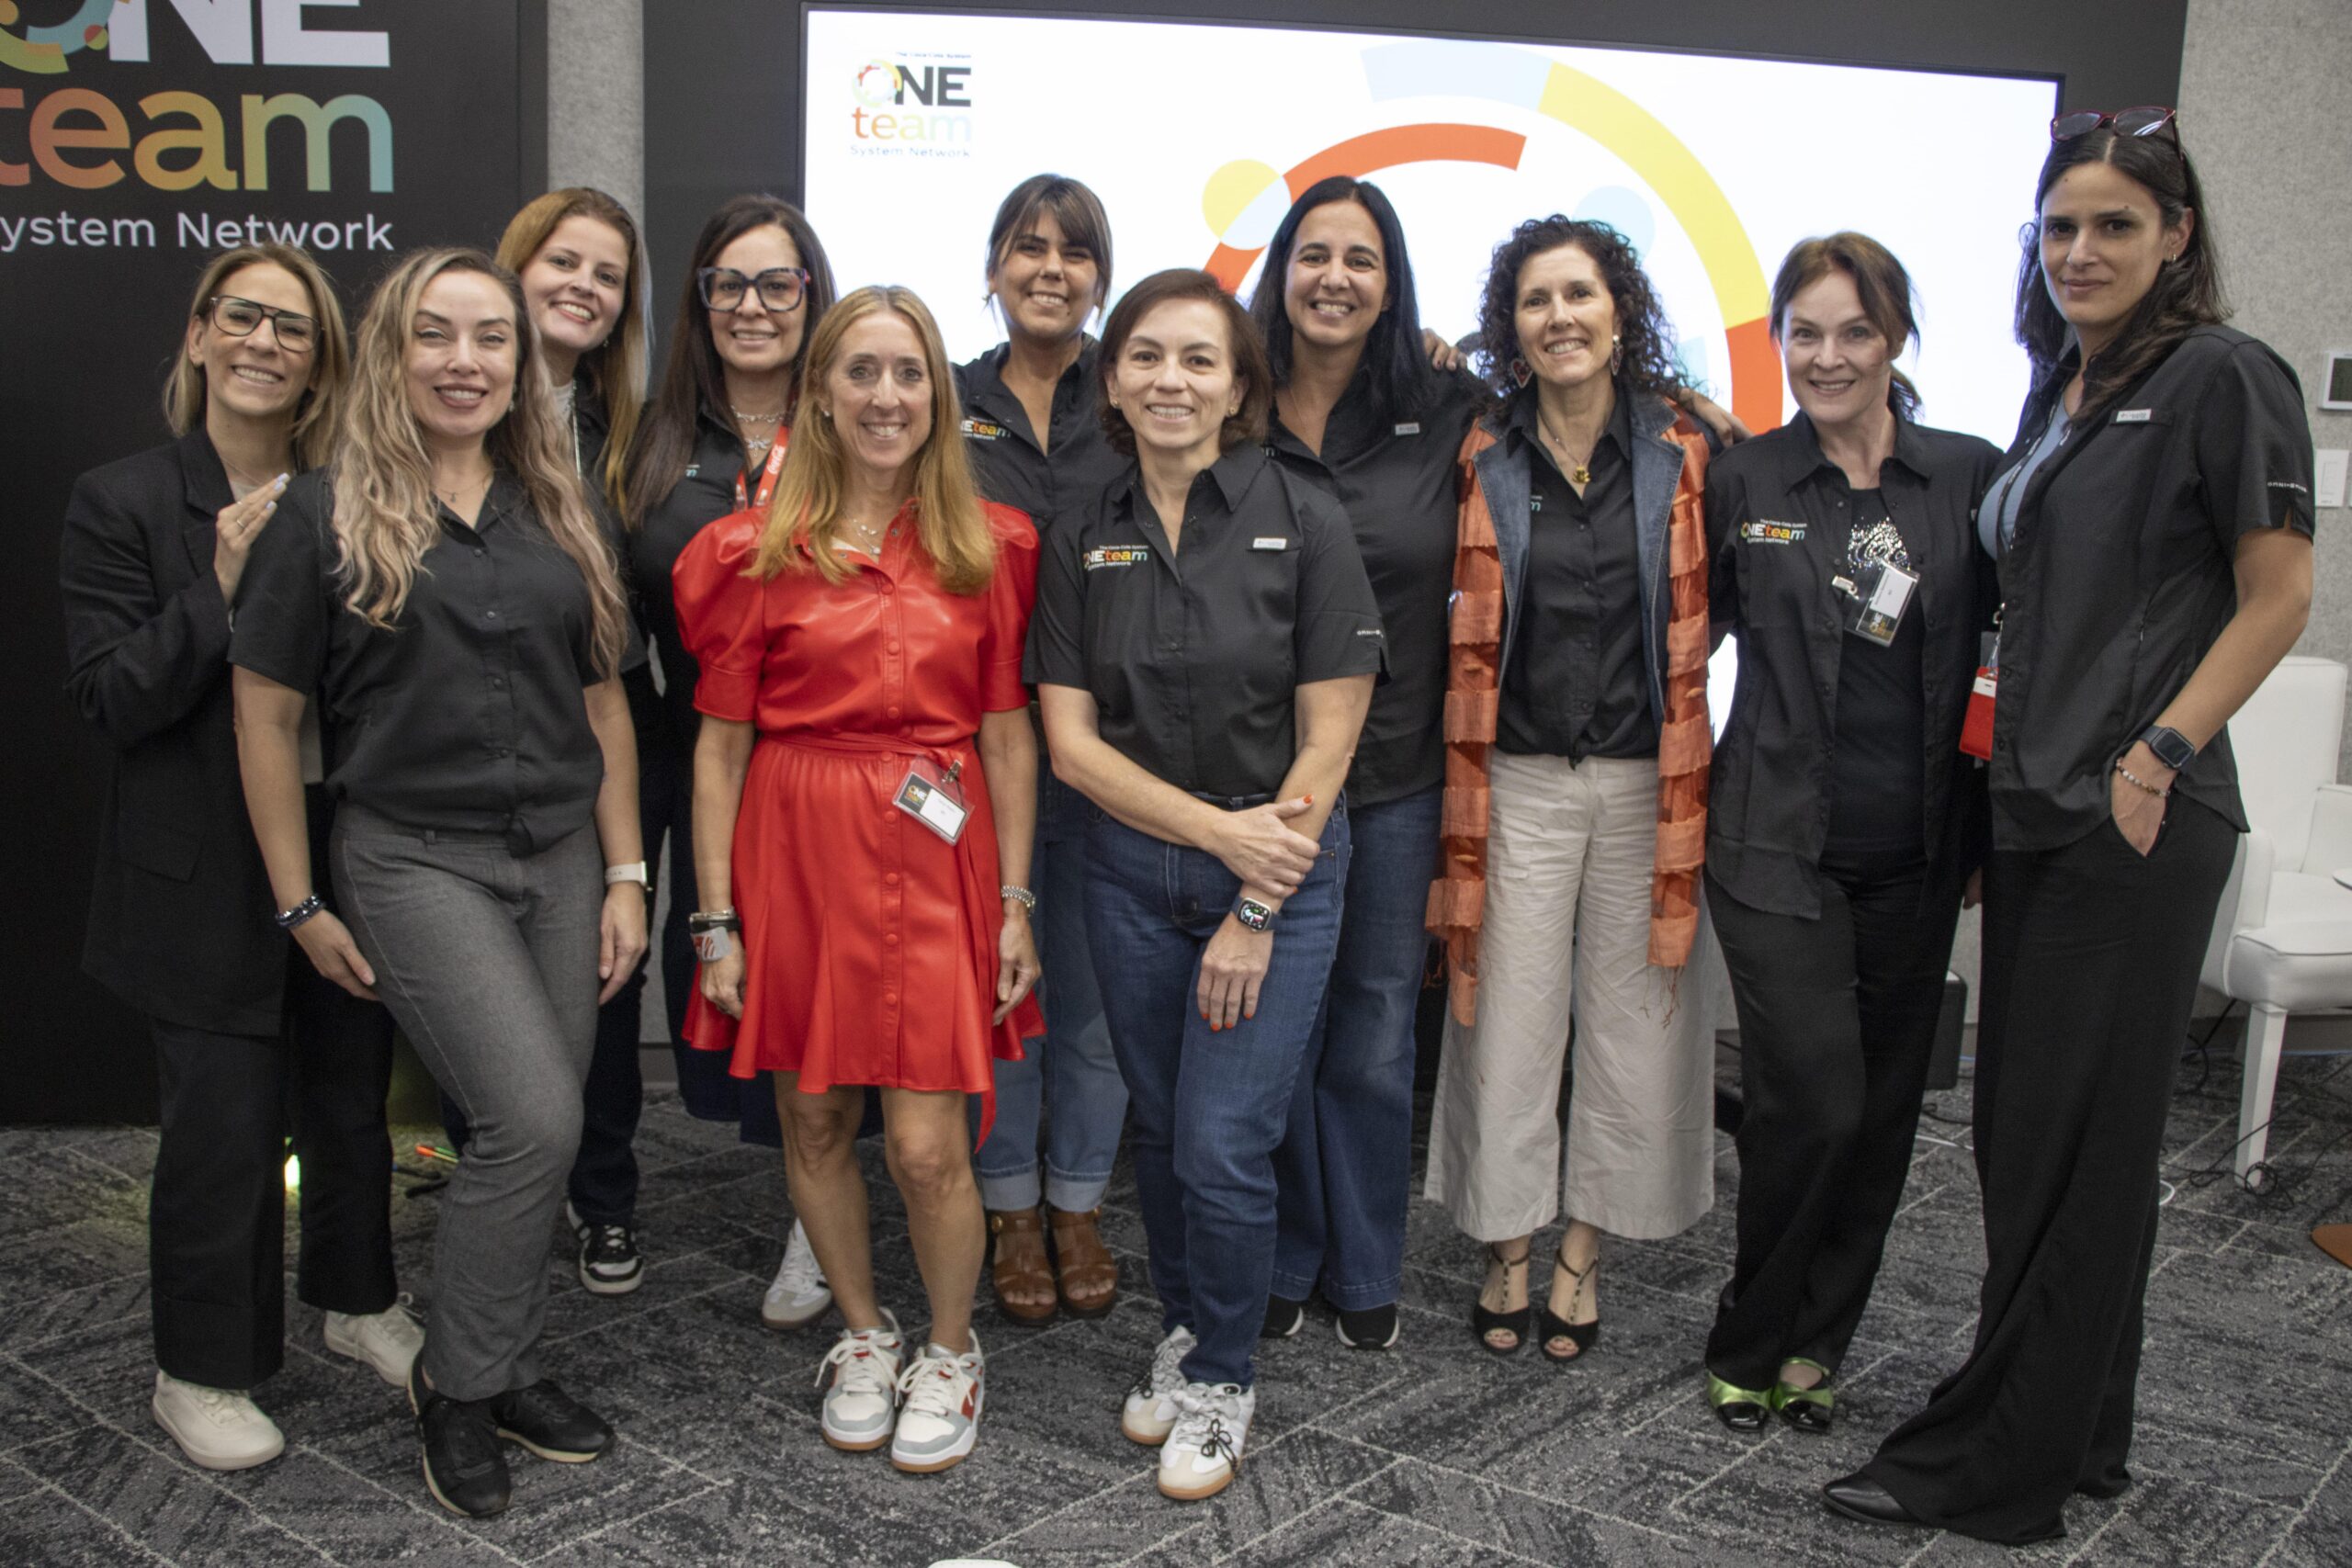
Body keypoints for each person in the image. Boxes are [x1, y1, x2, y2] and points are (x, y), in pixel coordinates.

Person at [1826, 110, 2313, 1543]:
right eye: (2060, 226)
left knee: (2060, 1145)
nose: (2081, 250)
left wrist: (2160, 752)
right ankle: (2083, 1422)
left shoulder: (2226, 376)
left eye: (2115, 223)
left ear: (2177, 234)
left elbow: (2281, 593)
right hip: (2042, 809)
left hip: (2135, 817)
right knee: (2052, 1140)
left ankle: (1999, 1462)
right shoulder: (2070, 389)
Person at [231, 247, 648, 1518]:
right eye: (435, 334)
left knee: (537, 1127)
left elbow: (603, 702)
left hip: (561, 854)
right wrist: (299, 902)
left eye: (490, 338)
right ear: (390, 353)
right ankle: (456, 1389)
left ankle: (499, 1361)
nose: (464, 361)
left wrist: (628, 872)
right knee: (533, 1121)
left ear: (521, 363)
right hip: (413, 857)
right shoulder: (320, 511)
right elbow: (264, 713)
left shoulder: (558, 506)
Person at [59, 245, 417, 1472]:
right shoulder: (122, 500)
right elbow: (112, 697)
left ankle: (358, 1299)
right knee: (222, 1127)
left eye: (293, 327)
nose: (265, 341)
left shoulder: (353, 495)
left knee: (352, 1097)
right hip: (199, 872)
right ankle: (201, 1368)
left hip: (342, 841)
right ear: (201, 335)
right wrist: (216, 588)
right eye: (243, 317)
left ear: (321, 362)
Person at [676, 285, 1045, 1475]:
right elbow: (719, 749)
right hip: (796, 853)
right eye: (862, 372)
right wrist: (715, 920)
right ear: (822, 396)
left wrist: (1017, 905)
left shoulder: (990, 547)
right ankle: (865, 1331)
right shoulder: (750, 553)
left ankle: (949, 1347)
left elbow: (1008, 740)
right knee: (815, 1114)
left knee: (928, 1144)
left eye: (909, 372)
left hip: (938, 860)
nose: (887, 396)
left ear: (938, 394)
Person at [1031, 268, 1385, 1499]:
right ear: (1113, 378)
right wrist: (1210, 836)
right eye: (1145, 356)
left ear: (1238, 386)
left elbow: (1332, 735)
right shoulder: (1085, 528)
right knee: (1165, 1126)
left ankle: (1226, 1372)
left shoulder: (1305, 512)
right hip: (1130, 871)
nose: (1169, 380)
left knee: (1226, 1140)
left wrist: (1253, 894)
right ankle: (1186, 1326)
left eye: (1197, 359)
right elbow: (1070, 747)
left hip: (1281, 869)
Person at [1699, 234, 1999, 1434]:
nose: (1827, 357)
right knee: (1812, 1100)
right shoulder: (1745, 480)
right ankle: (1751, 1331)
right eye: (1805, 333)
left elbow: (2008, 654)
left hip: (1917, 852)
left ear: (1896, 339)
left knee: (1879, 1116)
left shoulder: (1967, 478)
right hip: (1772, 843)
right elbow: (1680, 636)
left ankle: (1817, 1342)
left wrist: (1995, 830)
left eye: (1854, 332)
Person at [1425, 217, 1717, 1365]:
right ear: (1511, 326)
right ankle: (1506, 1244)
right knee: (1505, 1023)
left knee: (1635, 1028)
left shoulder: (1685, 450)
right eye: (1536, 300)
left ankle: (1582, 1251)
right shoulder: (1481, 450)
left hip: (1650, 785)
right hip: (1515, 783)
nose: (1560, 318)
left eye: (1580, 294)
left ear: (1619, 311)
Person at [1246, 176, 1489, 1352]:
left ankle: (1363, 1259)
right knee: (1275, 1029)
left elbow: (1579, 405)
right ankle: (1287, 1253)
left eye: (1360, 258)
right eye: (1313, 254)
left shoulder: (1443, 406)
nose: (1333, 277)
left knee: (1378, 1026)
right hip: (1258, 780)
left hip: (1392, 773)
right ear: (1281, 270)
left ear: (1391, 285)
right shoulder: (1233, 396)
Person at [423, 186, 661, 1297]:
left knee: (602, 970)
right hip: (457, 740)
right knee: (481, 995)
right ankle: (496, 1186)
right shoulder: (441, 411)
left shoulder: (631, 437)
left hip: (601, 727)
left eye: (607, 275)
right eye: (563, 261)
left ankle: (601, 1193)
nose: (583, 286)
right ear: (514, 267)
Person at [622, 195, 841, 1327]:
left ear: (812, 294)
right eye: (727, 284)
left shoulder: (855, 423)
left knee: (820, 979)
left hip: (817, 752)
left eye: (777, 283)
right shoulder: (651, 441)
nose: (751, 306)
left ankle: (818, 1215)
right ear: (698, 301)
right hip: (689, 744)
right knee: (711, 958)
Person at [953, 173, 1130, 1325]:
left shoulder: (1136, 391)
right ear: (994, 268)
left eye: (1073, 251)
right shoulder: (946, 400)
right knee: (999, 987)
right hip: (976, 749)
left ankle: (1078, 1202)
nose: (1049, 269)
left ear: (1100, 279)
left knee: (1095, 1004)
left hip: (1116, 754)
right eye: (1028, 246)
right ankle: (1009, 1205)